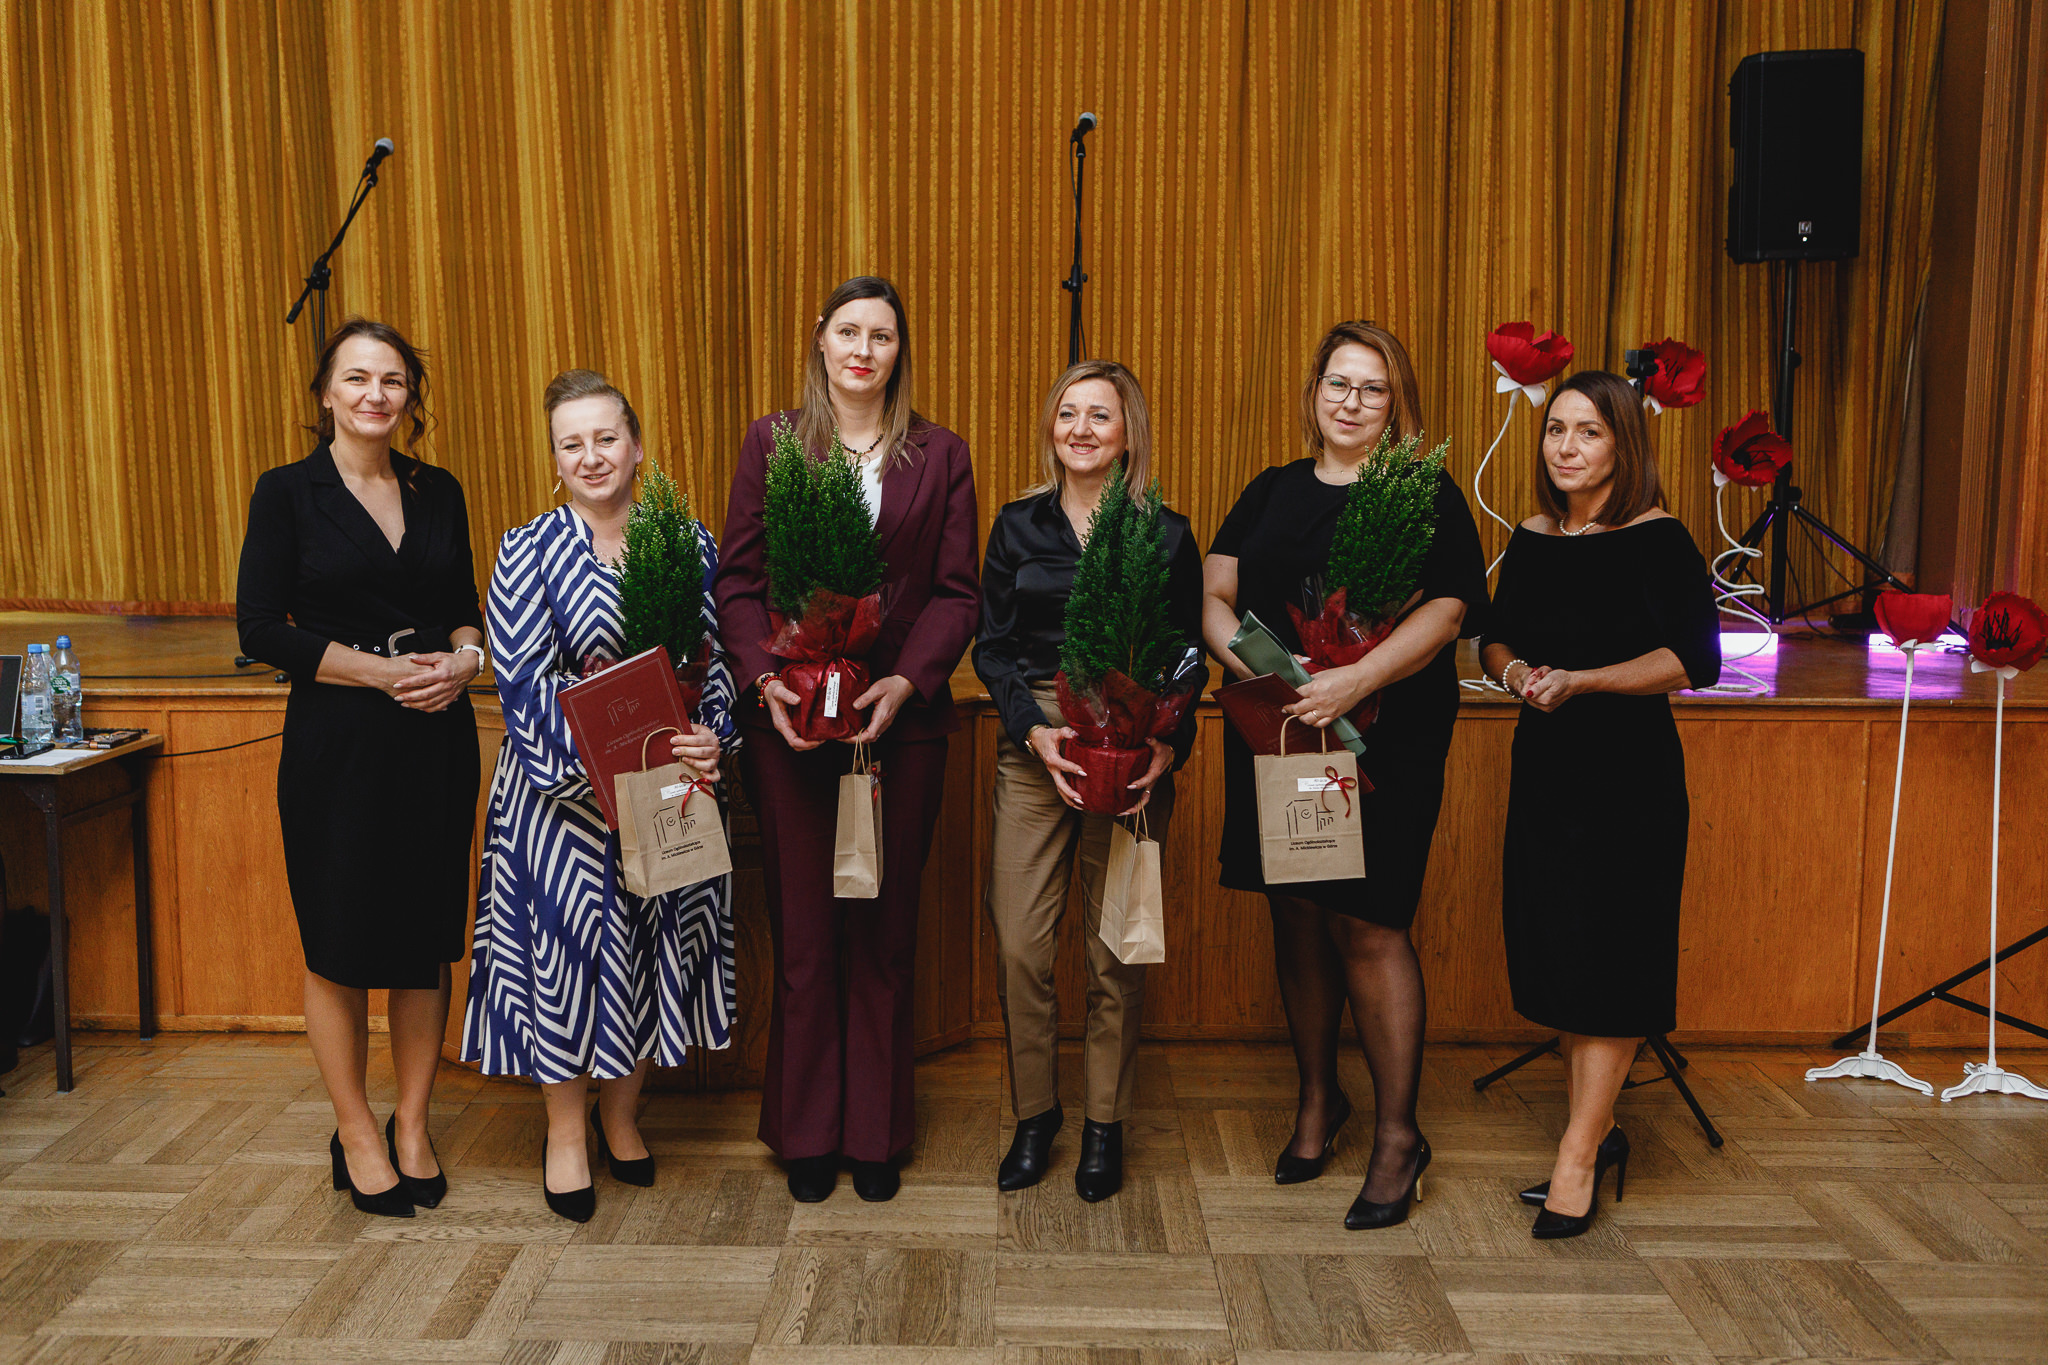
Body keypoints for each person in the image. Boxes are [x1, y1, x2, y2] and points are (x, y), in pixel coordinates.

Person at [1201, 320, 1487, 1230]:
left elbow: (1449, 611)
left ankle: (1399, 1136)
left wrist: (1356, 680)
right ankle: (1320, 1100)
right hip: (1284, 727)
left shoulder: (1425, 492)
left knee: (1369, 921)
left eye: (1371, 387)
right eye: (1338, 383)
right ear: (1314, 390)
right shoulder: (1272, 489)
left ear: (1395, 402)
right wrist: (1264, 672)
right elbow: (1213, 594)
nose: (1351, 401)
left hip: (1386, 733)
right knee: (1297, 910)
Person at [714, 276, 980, 1204]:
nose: (864, 350)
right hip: (792, 727)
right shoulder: (772, 442)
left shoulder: (941, 454)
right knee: (806, 933)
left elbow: (958, 591)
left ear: (900, 352)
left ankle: (874, 1131)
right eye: (849, 332)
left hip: (900, 727)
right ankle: (807, 1132)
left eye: (882, 336)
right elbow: (738, 583)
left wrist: (907, 683)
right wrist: (766, 681)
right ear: (820, 342)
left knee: (883, 930)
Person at [462, 370, 739, 1223]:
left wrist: (713, 735)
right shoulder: (527, 549)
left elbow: (718, 659)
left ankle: (622, 1116)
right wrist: (598, 767)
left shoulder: (686, 541)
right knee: (568, 961)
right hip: (562, 807)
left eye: (606, 437)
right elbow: (522, 681)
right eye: (571, 443)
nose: (591, 456)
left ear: (637, 445)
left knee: (653, 951)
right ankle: (566, 1132)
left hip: (665, 790)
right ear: (555, 459)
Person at [236, 318, 484, 1219]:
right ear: (326, 393)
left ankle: (411, 1123)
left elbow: (461, 606)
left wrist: (466, 660)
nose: (376, 394)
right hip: (336, 746)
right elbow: (260, 628)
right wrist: (380, 673)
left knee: (423, 943)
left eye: (393, 380)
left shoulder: (438, 488)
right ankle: (356, 1131)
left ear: (410, 395)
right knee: (338, 946)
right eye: (357, 378)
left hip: (435, 741)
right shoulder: (287, 492)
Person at [1478, 369, 1719, 1239]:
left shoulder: (1660, 538)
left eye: (1588, 432)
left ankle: (1577, 1156)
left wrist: (1583, 680)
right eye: (1556, 430)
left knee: (1613, 960)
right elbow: (1495, 635)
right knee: (1567, 956)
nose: (1567, 447)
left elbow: (1696, 660)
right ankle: (1601, 1128)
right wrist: (1515, 672)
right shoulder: (1534, 534)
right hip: (1546, 769)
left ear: (1623, 445)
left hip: (1629, 778)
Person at [972, 361, 1203, 1202]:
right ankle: (1036, 1117)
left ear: (1128, 432)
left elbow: (1188, 657)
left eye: (1099, 415)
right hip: (1039, 737)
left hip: (1133, 744)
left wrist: (1166, 746)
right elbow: (992, 647)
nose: (1080, 429)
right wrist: (1034, 733)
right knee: (1020, 943)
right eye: (1067, 412)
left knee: (1115, 951)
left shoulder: (1167, 534)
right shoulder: (1015, 526)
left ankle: (1105, 1125)